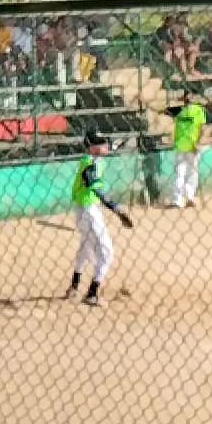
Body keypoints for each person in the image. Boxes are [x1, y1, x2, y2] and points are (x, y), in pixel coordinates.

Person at [65, 131, 133, 308]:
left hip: (82, 210)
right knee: (107, 252)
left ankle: (74, 286)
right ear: (92, 148)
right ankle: (92, 294)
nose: (106, 146)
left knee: (86, 249)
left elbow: (108, 150)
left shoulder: (94, 158)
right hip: (89, 211)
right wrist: (115, 208)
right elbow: (94, 187)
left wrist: (116, 145)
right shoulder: (89, 163)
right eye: (101, 144)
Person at [172, 94, 208, 209]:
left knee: (181, 173)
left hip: (183, 145)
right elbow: (202, 129)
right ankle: (188, 197)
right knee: (191, 173)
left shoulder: (179, 111)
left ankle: (179, 199)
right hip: (190, 145)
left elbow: (202, 129)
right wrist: (199, 142)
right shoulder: (198, 110)